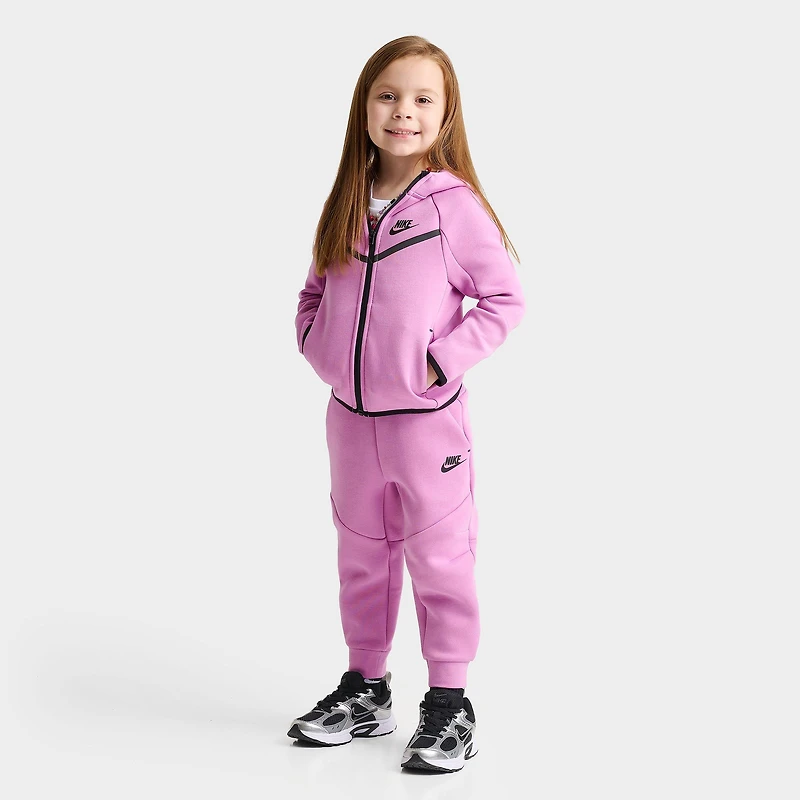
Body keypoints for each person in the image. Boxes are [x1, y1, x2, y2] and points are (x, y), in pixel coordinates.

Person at [287, 34, 525, 773]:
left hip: (427, 425)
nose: (403, 112)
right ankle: (366, 688)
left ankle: (450, 703)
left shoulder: (453, 207)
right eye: (388, 95)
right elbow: (315, 291)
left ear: (446, 113)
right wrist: (318, 343)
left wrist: (437, 361)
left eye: (423, 98)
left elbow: (505, 299)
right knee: (361, 554)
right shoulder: (347, 200)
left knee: (440, 558)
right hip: (349, 421)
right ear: (364, 107)